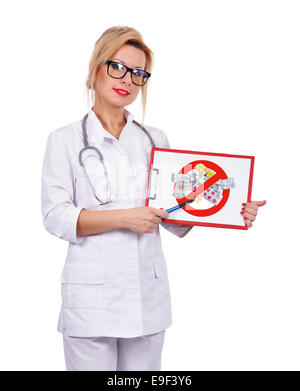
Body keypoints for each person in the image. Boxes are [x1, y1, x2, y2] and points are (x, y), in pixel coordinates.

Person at [41, 25, 266, 371]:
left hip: (146, 294)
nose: (127, 80)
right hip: (91, 302)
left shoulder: (155, 139)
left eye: (138, 73)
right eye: (117, 67)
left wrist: (233, 209)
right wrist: (125, 217)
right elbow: (56, 216)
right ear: (95, 68)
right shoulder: (65, 139)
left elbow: (175, 216)